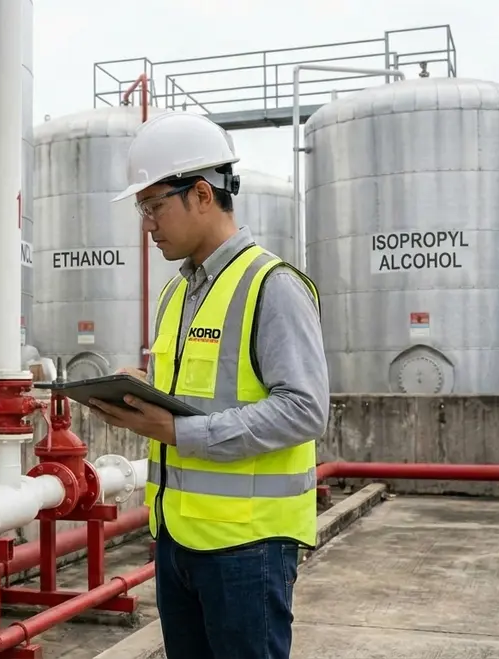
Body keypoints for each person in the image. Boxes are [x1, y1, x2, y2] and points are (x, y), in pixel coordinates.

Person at [88, 111, 330, 659]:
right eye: (142, 210)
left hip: (248, 547)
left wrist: (179, 431)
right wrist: (141, 387)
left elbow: (305, 410)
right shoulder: (177, 295)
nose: (147, 225)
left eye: (154, 207)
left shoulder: (273, 286)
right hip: (177, 538)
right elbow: (211, 388)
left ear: (201, 193)